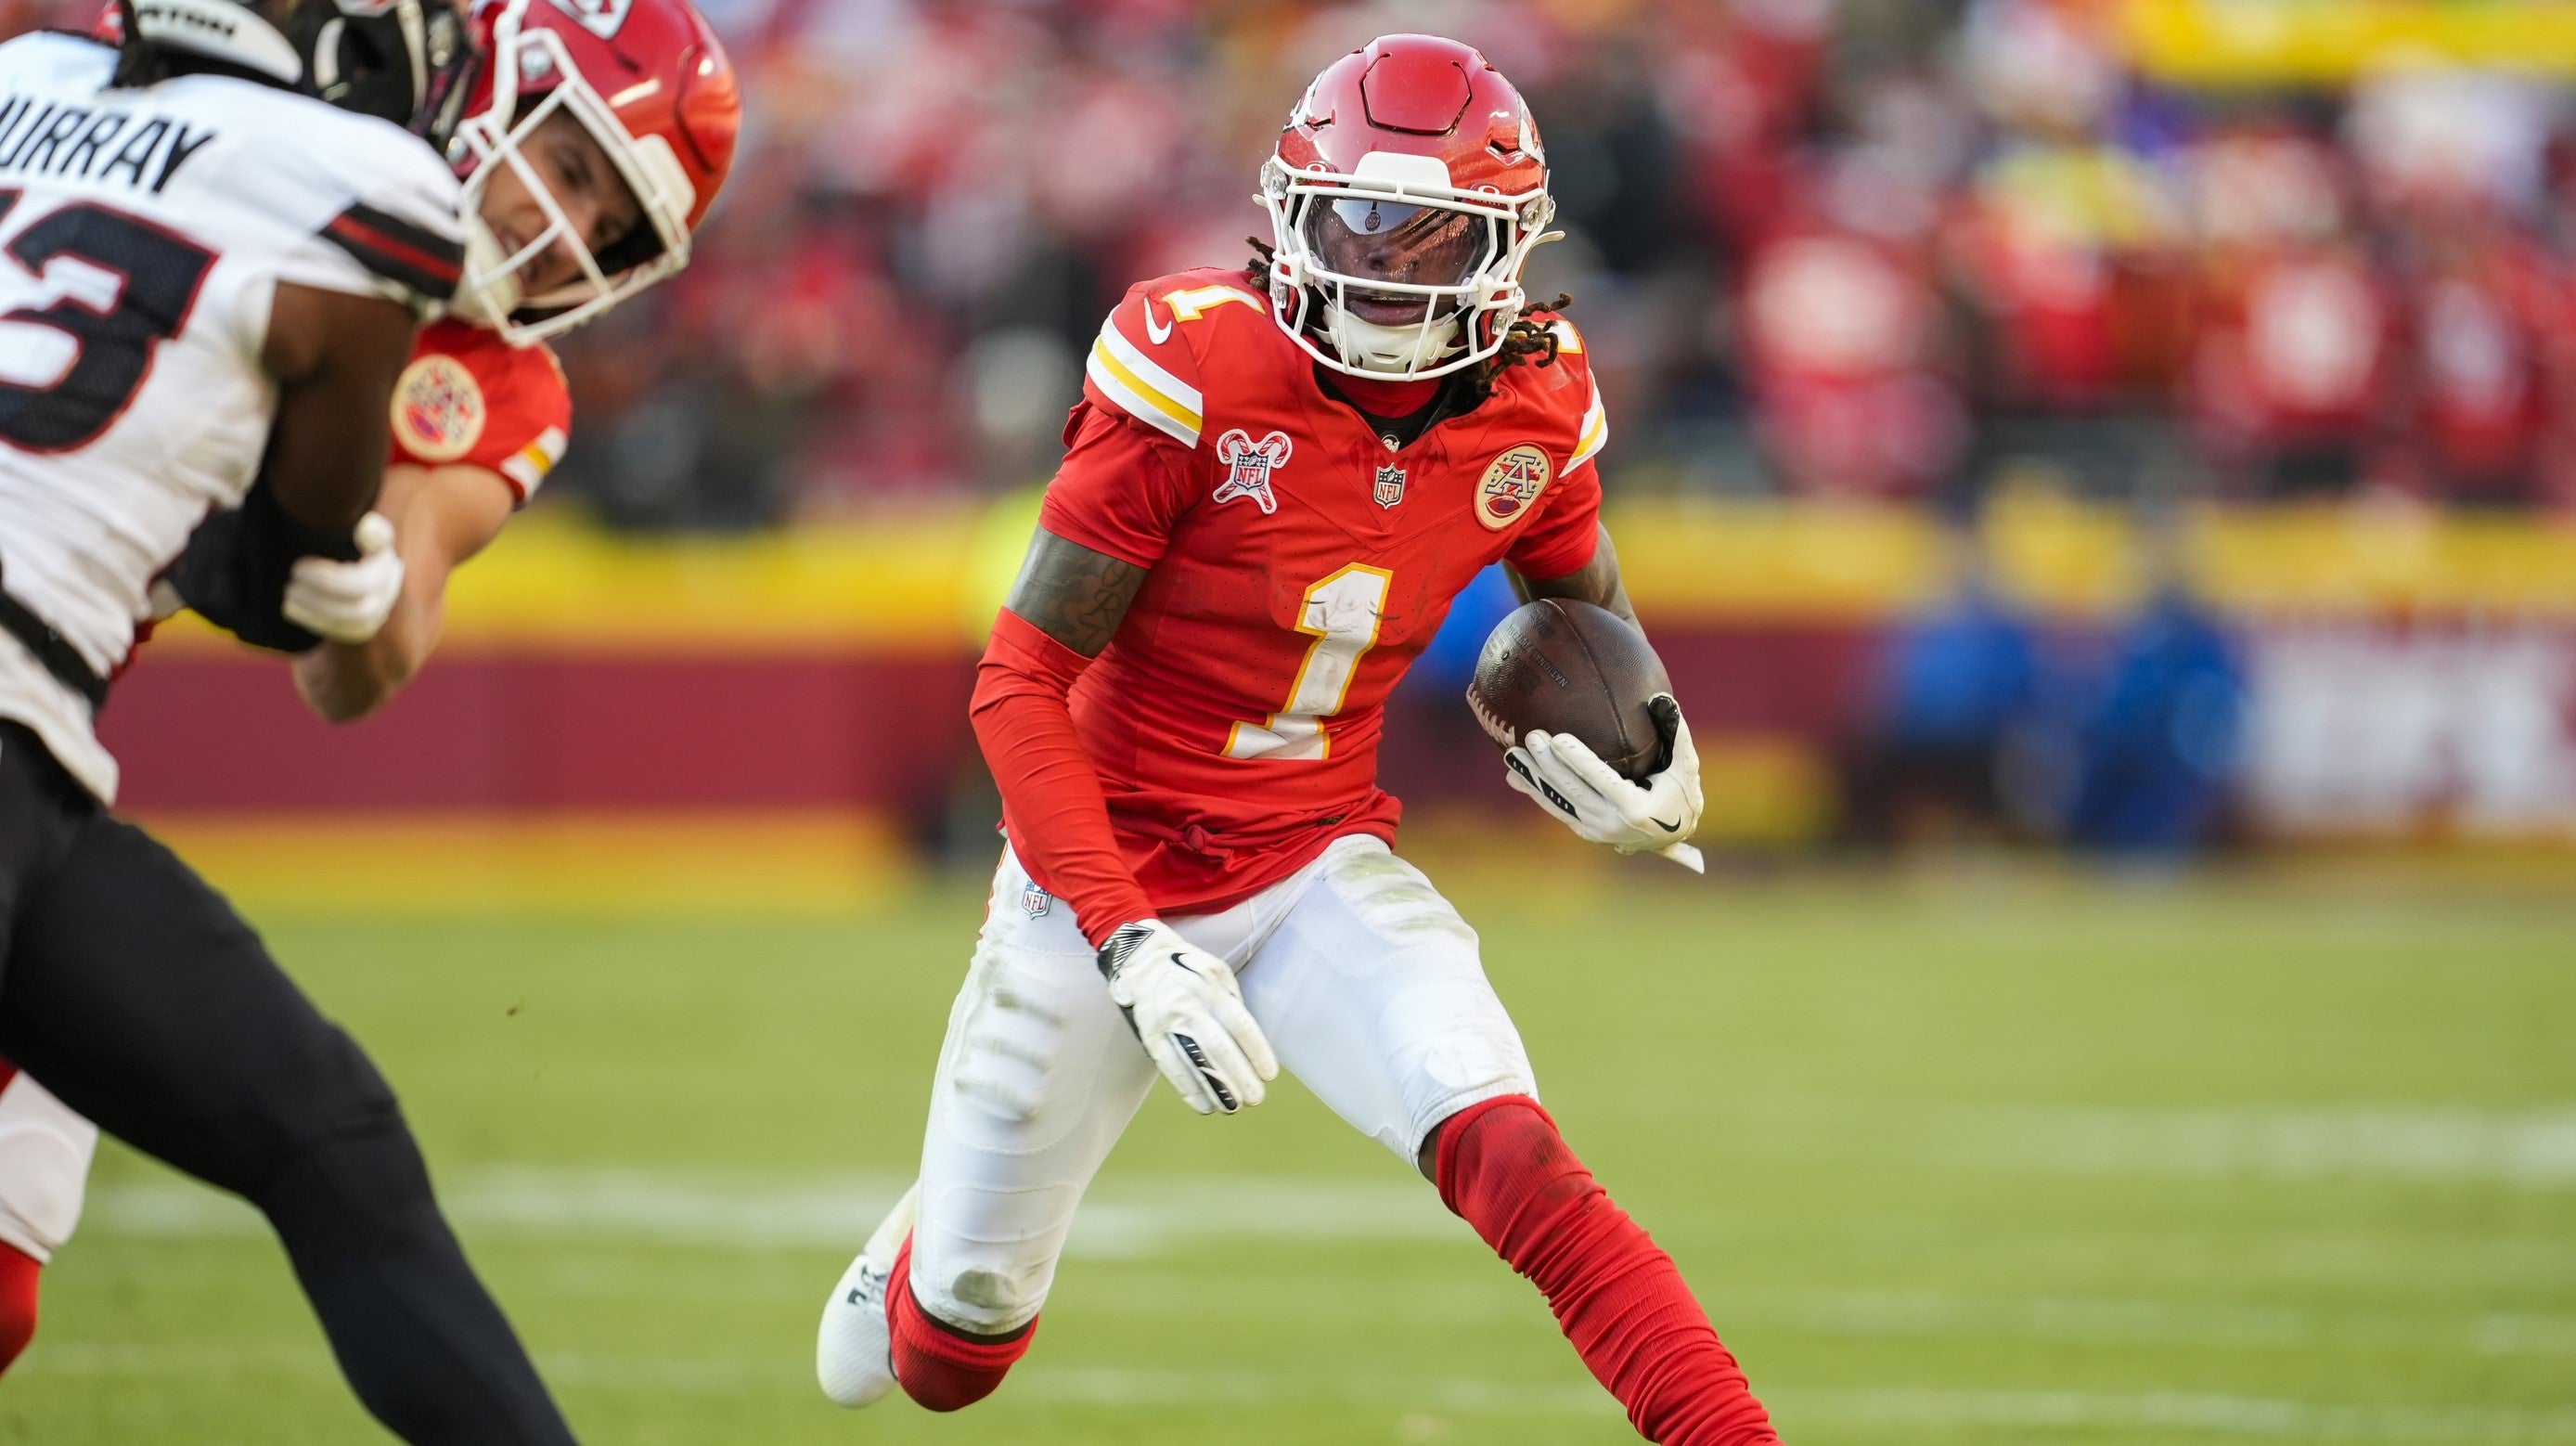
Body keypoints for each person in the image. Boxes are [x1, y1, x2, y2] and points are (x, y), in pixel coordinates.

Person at [817, 35, 1778, 1445]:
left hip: (1311, 860)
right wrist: (1129, 940)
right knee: (951, 1354)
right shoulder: (1192, 362)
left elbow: (1585, 613)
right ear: (1289, 209)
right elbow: (1017, 683)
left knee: (1516, 1153)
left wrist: (1650, 750)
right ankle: (928, 1244)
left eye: (1425, 228)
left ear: (1503, 248)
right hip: (1102, 883)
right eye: (1353, 217)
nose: (1382, 258)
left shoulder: (1537, 396)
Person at [0, 0, 739, 1381]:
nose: (569, 234)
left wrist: (360, 580)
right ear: (497, 73)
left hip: (45, 730)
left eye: (613, 228)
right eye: (571, 166)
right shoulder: (265, 124)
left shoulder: (499, 374)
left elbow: (366, 666)